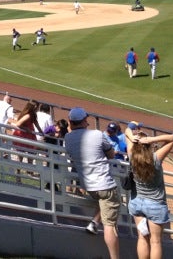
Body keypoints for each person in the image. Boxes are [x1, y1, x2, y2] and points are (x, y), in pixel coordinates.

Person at [64, 107, 120, 259]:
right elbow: (111, 154)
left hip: (88, 185)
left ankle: (94, 223)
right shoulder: (97, 134)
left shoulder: (68, 138)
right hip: (105, 185)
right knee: (110, 226)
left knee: (104, 203)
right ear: (83, 121)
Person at [124, 122, 173, 259]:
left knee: (142, 237)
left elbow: (127, 130)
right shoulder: (156, 158)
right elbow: (171, 138)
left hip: (136, 203)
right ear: (149, 146)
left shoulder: (131, 156)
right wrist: (151, 139)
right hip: (155, 205)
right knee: (156, 241)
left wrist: (133, 137)